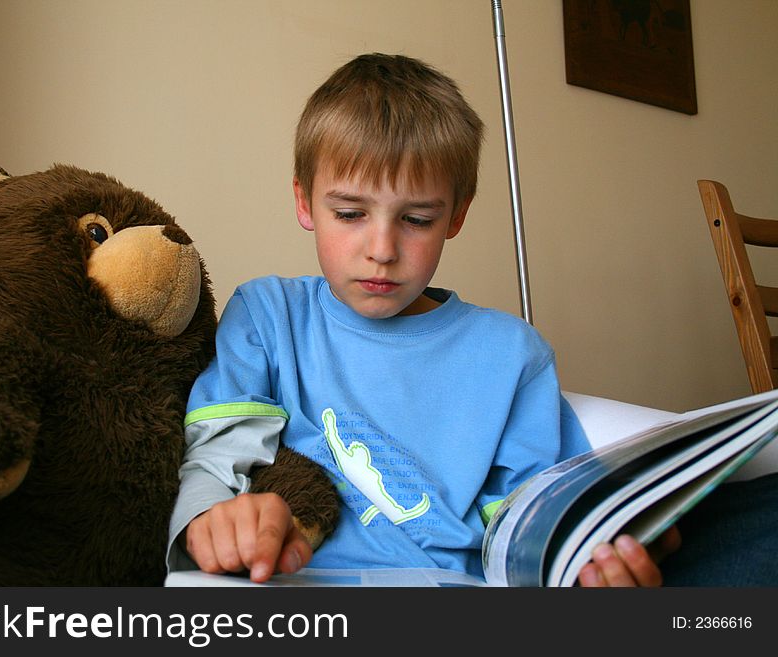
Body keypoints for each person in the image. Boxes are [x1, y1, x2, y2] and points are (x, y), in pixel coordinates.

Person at [165, 52, 680, 587]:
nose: (382, 250)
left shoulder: (512, 354)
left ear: (456, 215)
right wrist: (212, 521)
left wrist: (602, 548)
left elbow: (536, 517)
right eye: (349, 214)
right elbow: (214, 458)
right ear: (304, 201)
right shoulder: (268, 316)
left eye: (416, 220)